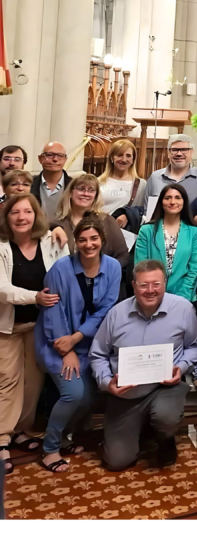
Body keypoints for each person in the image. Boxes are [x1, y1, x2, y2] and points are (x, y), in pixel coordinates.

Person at [89, 260, 197, 470]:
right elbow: (97, 355)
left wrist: (182, 367)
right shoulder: (116, 314)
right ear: (133, 285)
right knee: (117, 461)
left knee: (165, 417)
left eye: (156, 284)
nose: (150, 290)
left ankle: (164, 436)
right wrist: (107, 383)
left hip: (165, 387)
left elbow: (194, 346)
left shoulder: (183, 309)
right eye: (143, 285)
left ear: (165, 284)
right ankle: (143, 429)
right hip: (126, 394)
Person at [35, 219, 121, 472]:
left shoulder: (114, 267)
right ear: (75, 242)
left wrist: (78, 338)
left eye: (94, 239)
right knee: (73, 393)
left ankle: (64, 436)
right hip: (55, 342)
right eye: (82, 239)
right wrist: (68, 348)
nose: (88, 244)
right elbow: (53, 312)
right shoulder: (60, 269)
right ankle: (50, 448)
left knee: (89, 395)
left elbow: (106, 309)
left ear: (102, 240)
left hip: (88, 343)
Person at [0, 194, 66, 475]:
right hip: (8, 327)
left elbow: (64, 274)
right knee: (7, 381)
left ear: (36, 215)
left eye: (27, 211)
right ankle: (2, 439)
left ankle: (20, 431)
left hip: (41, 326)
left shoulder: (51, 241)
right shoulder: (2, 247)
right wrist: (35, 298)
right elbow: (2, 290)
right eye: (15, 212)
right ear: (6, 217)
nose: (21, 217)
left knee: (32, 384)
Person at [51, 174, 131, 274]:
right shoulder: (58, 223)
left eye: (91, 190)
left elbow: (123, 256)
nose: (86, 193)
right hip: (66, 281)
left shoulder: (107, 221)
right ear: (71, 192)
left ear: (96, 196)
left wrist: (103, 271)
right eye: (81, 189)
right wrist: (54, 227)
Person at [134, 184, 197, 302]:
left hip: (184, 295)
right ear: (161, 202)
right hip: (151, 294)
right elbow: (140, 266)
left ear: (184, 202)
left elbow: (193, 269)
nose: (172, 202)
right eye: (167, 198)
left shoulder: (194, 232)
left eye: (177, 197)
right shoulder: (146, 231)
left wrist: (183, 296)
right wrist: (153, 292)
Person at [143, 134, 197, 210]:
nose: (179, 154)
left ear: (191, 152)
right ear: (168, 153)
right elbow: (146, 210)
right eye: (174, 150)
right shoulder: (155, 178)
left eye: (184, 149)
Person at [97, 139, 147, 216]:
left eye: (128, 156)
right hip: (100, 225)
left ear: (133, 159)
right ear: (111, 158)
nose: (124, 159)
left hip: (124, 227)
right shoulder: (98, 182)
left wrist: (128, 216)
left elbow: (142, 211)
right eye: (119, 155)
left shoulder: (141, 184)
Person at [30, 141, 73, 222]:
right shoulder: (29, 184)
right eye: (49, 155)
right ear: (40, 158)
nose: (55, 159)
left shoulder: (74, 185)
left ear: (65, 160)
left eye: (60, 156)